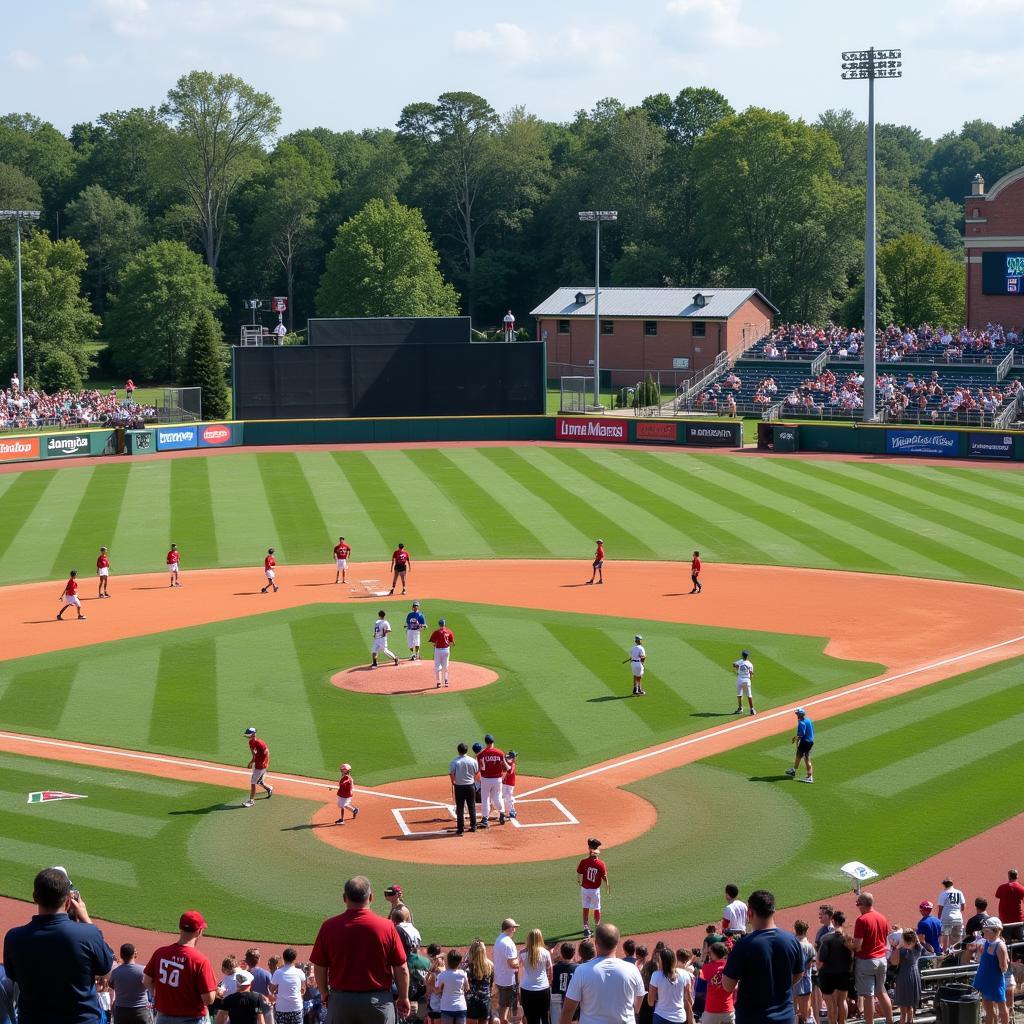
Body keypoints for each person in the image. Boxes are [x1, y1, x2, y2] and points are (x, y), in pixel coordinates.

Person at [3, 867, 114, 1023]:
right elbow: (107, 970)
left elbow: (12, 976)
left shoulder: (14, 938)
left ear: (35, 897)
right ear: (68, 901)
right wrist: (87, 920)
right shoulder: (88, 934)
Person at [310, 876, 410, 1024]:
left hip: (341, 1003)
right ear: (371, 897)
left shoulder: (329, 927)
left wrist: (325, 994)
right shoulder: (387, 927)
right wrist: (403, 997)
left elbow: (319, 966)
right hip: (378, 1004)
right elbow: (401, 968)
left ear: (344, 898)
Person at [721, 889, 803, 1024]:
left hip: (752, 1018)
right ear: (773, 911)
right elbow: (799, 973)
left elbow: (728, 985)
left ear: (750, 913)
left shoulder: (743, 945)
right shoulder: (791, 940)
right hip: (785, 1016)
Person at [557, 922, 644, 1024]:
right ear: (617, 942)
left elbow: (568, 1010)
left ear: (596, 942)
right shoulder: (632, 969)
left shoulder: (582, 970)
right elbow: (638, 1006)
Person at [144, 910, 219, 1024]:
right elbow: (208, 999)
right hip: (192, 1019)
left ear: (180, 928)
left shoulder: (160, 953)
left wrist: (158, 995)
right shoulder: (200, 960)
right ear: (199, 931)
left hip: (163, 1018)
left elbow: (147, 981)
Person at [851, 892, 892, 1024]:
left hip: (866, 961)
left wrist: (848, 945)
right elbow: (886, 938)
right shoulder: (882, 917)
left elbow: (858, 945)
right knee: (881, 992)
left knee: (868, 996)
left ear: (862, 904)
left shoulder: (862, 920)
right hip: (882, 959)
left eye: (858, 904)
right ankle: (890, 1021)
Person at [816, 910, 852, 1024]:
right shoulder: (849, 938)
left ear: (834, 921)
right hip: (844, 974)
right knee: (842, 1002)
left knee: (831, 1004)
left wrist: (818, 970)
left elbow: (820, 961)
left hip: (828, 975)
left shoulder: (826, 938)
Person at [972, 918, 1008, 1024]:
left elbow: (1004, 967)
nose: (983, 931)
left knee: (1002, 1007)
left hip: (995, 981)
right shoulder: (987, 942)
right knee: (988, 1010)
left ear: (993, 931)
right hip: (984, 980)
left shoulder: (1000, 945)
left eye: (985, 930)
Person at [110, 942, 153, 1024]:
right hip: (140, 1011)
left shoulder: (115, 972)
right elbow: (150, 984)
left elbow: (111, 985)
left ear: (121, 955)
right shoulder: (143, 970)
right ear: (135, 954)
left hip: (121, 1011)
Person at [648, 947, 693, 1024]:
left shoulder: (656, 975)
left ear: (661, 961)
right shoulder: (685, 974)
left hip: (660, 1017)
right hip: (679, 1018)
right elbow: (689, 1000)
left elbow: (650, 1002)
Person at [577, 838, 610, 939]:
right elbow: (604, 877)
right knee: (597, 908)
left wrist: (580, 882)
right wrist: (607, 885)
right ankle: (597, 927)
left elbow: (579, 874)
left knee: (585, 908)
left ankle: (586, 928)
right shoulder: (601, 864)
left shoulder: (583, 862)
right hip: (595, 891)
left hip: (585, 889)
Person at [519, 929, 552, 1024]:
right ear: (540, 938)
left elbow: (516, 968)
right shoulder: (546, 952)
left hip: (526, 989)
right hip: (543, 989)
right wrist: (549, 983)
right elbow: (550, 971)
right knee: (545, 1017)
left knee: (531, 1018)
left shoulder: (522, 953)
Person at [888, 931, 922, 1024]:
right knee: (910, 1007)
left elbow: (892, 961)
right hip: (914, 976)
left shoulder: (903, 951)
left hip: (904, 977)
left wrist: (898, 946)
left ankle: (903, 1022)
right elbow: (917, 941)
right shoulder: (918, 948)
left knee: (903, 1010)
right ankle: (909, 1021)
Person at [493, 919, 521, 1024]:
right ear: (509, 928)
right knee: (506, 1005)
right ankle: (503, 1020)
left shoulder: (499, 939)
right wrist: (521, 960)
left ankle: (502, 1019)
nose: (515, 930)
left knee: (503, 1003)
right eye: (514, 928)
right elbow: (512, 964)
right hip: (508, 980)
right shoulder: (509, 943)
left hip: (499, 978)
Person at [699, 942, 734, 1024]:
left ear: (715, 954)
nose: (709, 954)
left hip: (711, 1010)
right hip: (728, 1009)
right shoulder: (730, 966)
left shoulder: (707, 967)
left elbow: (699, 974)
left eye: (710, 952)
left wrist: (702, 958)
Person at [449, 742, 479, 835]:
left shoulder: (455, 761)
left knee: (460, 808)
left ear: (458, 751)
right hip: (470, 786)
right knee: (471, 806)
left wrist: (453, 783)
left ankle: (460, 829)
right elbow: (476, 773)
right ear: (467, 750)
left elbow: (452, 774)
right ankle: (474, 826)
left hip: (459, 787)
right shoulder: (473, 761)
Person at [477, 734, 507, 827]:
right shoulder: (500, 753)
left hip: (485, 779)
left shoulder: (481, 754)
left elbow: (480, 768)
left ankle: (485, 819)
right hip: (497, 779)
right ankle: (502, 813)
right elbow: (505, 767)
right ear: (493, 741)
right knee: (497, 797)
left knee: (485, 799)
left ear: (485, 742)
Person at [434, 950, 469, 1024]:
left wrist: (430, 985)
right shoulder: (463, 974)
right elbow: (467, 988)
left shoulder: (442, 975)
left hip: (446, 1007)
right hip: (461, 1007)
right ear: (459, 962)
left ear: (448, 961)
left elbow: (437, 991)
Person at [464, 940, 493, 1024]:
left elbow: (465, 984)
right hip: (485, 999)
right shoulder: (490, 965)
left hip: (471, 1001)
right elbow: (491, 983)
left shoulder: (467, 967)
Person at [243, 727, 273, 807]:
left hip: (261, 766)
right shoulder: (250, 742)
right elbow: (254, 755)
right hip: (256, 764)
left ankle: (251, 801)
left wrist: (263, 764)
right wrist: (251, 762)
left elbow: (267, 753)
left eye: (248, 734)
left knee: (253, 782)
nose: (247, 736)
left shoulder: (260, 743)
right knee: (258, 781)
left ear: (253, 734)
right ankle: (269, 789)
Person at [792, 920, 815, 1024]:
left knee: (793, 1011)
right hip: (805, 981)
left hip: (792, 981)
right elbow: (810, 965)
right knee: (805, 1013)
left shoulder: (792, 944)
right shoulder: (809, 946)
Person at [938, 877, 967, 951]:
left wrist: (939, 919)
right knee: (957, 938)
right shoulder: (959, 892)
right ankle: (956, 956)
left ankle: (945, 954)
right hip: (958, 918)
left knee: (946, 936)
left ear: (944, 885)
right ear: (952, 884)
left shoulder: (943, 893)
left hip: (947, 918)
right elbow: (963, 907)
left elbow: (940, 909)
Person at [785, 708, 814, 783]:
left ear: (800, 715)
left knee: (806, 759)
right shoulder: (808, 720)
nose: (796, 715)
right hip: (809, 741)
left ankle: (810, 777)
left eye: (797, 714)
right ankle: (793, 771)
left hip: (805, 742)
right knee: (798, 755)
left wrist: (795, 739)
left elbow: (801, 735)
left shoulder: (801, 723)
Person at [995, 869, 1024, 943]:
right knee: (1021, 940)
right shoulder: (1021, 888)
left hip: (1005, 918)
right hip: (1018, 918)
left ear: (1009, 876)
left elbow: (997, 895)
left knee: (1006, 940)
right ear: (1017, 876)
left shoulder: (1001, 887)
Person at [550, 943, 576, 1024]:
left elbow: (549, 982)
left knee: (556, 1021)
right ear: (574, 953)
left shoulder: (554, 968)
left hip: (556, 997)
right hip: (571, 998)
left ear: (561, 953)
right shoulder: (578, 968)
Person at [429, 618, 455, 688]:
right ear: (444, 624)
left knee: (437, 666)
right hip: (446, 650)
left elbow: (432, 641)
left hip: (438, 650)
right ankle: (446, 681)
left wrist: (435, 644)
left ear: (439, 624)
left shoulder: (436, 632)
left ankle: (438, 682)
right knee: (445, 666)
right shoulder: (449, 631)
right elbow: (452, 643)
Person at [732, 651, 755, 716]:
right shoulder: (750, 664)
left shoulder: (740, 662)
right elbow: (751, 673)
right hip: (747, 680)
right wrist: (749, 679)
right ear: (747, 656)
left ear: (742, 655)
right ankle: (752, 709)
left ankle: (740, 709)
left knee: (739, 695)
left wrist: (736, 670)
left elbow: (733, 664)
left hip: (739, 679)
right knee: (749, 695)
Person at [501, 750, 518, 821]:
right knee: (504, 797)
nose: (516, 758)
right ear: (513, 757)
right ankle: (508, 811)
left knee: (509, 797)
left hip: (509, 783)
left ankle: (512, 812)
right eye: (515, 756)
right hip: (506, 783)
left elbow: (509, 771)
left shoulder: (511, 763)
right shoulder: (511, 762)